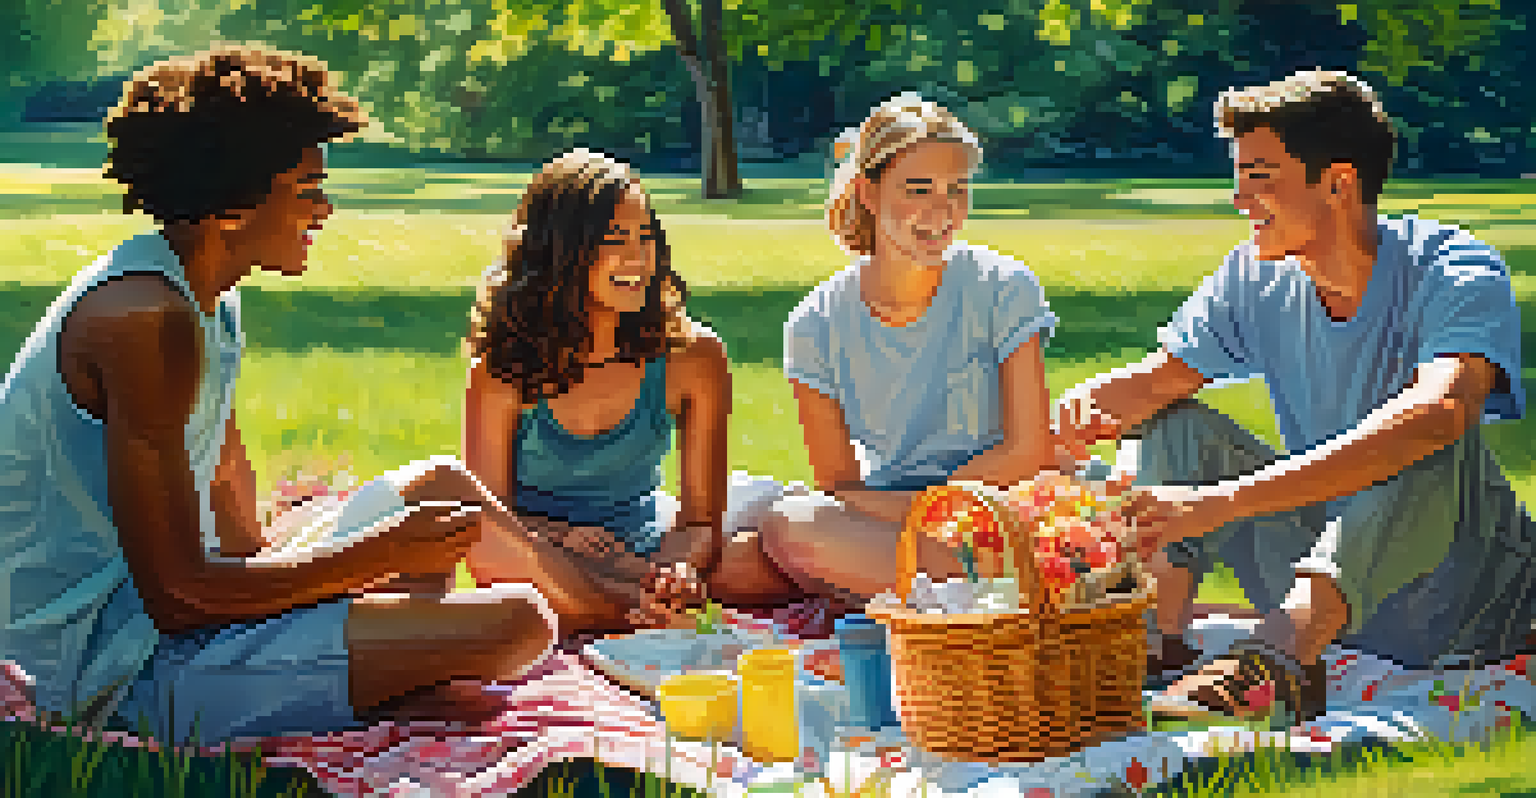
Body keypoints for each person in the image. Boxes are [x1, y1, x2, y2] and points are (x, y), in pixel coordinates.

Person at [0, 45, 558, 746]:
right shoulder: (144, 319)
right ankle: (366, 691)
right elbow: (178, 597)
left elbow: (228, 492)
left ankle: (370, 681)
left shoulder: (203, 297)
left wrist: (310, 582)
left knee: (438, 488)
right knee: (518, 623)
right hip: (106, 669)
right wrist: (368, 559)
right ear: (233, 205)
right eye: (305, 187)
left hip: (174, 616)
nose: (325, 208)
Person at [1055, 70, 1535, 724]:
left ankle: (1277, 663)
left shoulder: (1453, 268)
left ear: (1337, 183)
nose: (1238, 198)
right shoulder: (1256, 276)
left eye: (1260, 176)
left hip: (1465, 606)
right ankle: (1151, 643)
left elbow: (1440, 412)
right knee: (1172, 425)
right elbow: (1156, 384)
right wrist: (1080, 414)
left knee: (1425, 431)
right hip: (1330, 567)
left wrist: (1219, 502)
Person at [750, 93, 1067, 604]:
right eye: (918, 189)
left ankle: (942, 603)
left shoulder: (1003, 286)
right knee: (786, 525)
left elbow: (1028, 452)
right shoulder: (815, 324)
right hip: (899, 518)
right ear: (868, 193)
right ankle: (979, 603)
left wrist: (924, 510)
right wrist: (911, 515)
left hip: (1000, 511)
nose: (942, 212)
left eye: (957, 190)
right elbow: (837, 487)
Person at [461, 148, 770, 634]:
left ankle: (639, 605)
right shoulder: (502, 373)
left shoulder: (693, 357)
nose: (637, 258)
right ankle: (633, 610)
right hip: (542, 556)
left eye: (644, 237)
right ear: (558, 253)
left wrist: (674, 573)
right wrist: (561, 537)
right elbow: (489, 524)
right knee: (507, 574)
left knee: (773, 557)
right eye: (613, 240)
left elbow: (697, 525)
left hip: (644, 552)